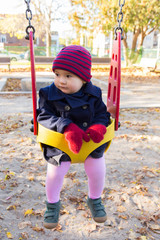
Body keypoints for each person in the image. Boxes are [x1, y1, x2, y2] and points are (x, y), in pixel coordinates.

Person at [37, 45, 111, 229]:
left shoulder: (94, 94)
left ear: (84, 78)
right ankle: (52, 204)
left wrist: (99, 126)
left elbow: (102, 114)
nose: (61, 80)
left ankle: (94, 199)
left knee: (97, 168)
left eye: (68, 76)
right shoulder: (48, 94)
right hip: (58, 144)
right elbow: (43, 116)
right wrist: (66, 127)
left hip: (88, 143)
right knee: (54, 172)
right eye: (57, 74)